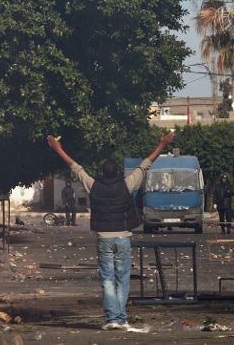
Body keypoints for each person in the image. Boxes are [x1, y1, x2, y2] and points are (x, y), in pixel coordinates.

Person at [47, 132, 174, 331]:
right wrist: (162, 144)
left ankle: (112, 318)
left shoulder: (93, 185)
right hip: (123, 237)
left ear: (102, 173)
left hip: (103, 238)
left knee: (107, 278)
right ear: (117, 173)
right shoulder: (127, 184)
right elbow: (145, 164)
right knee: (122, 278)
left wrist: (59, 150)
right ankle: (121, 319)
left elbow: (76, 168)